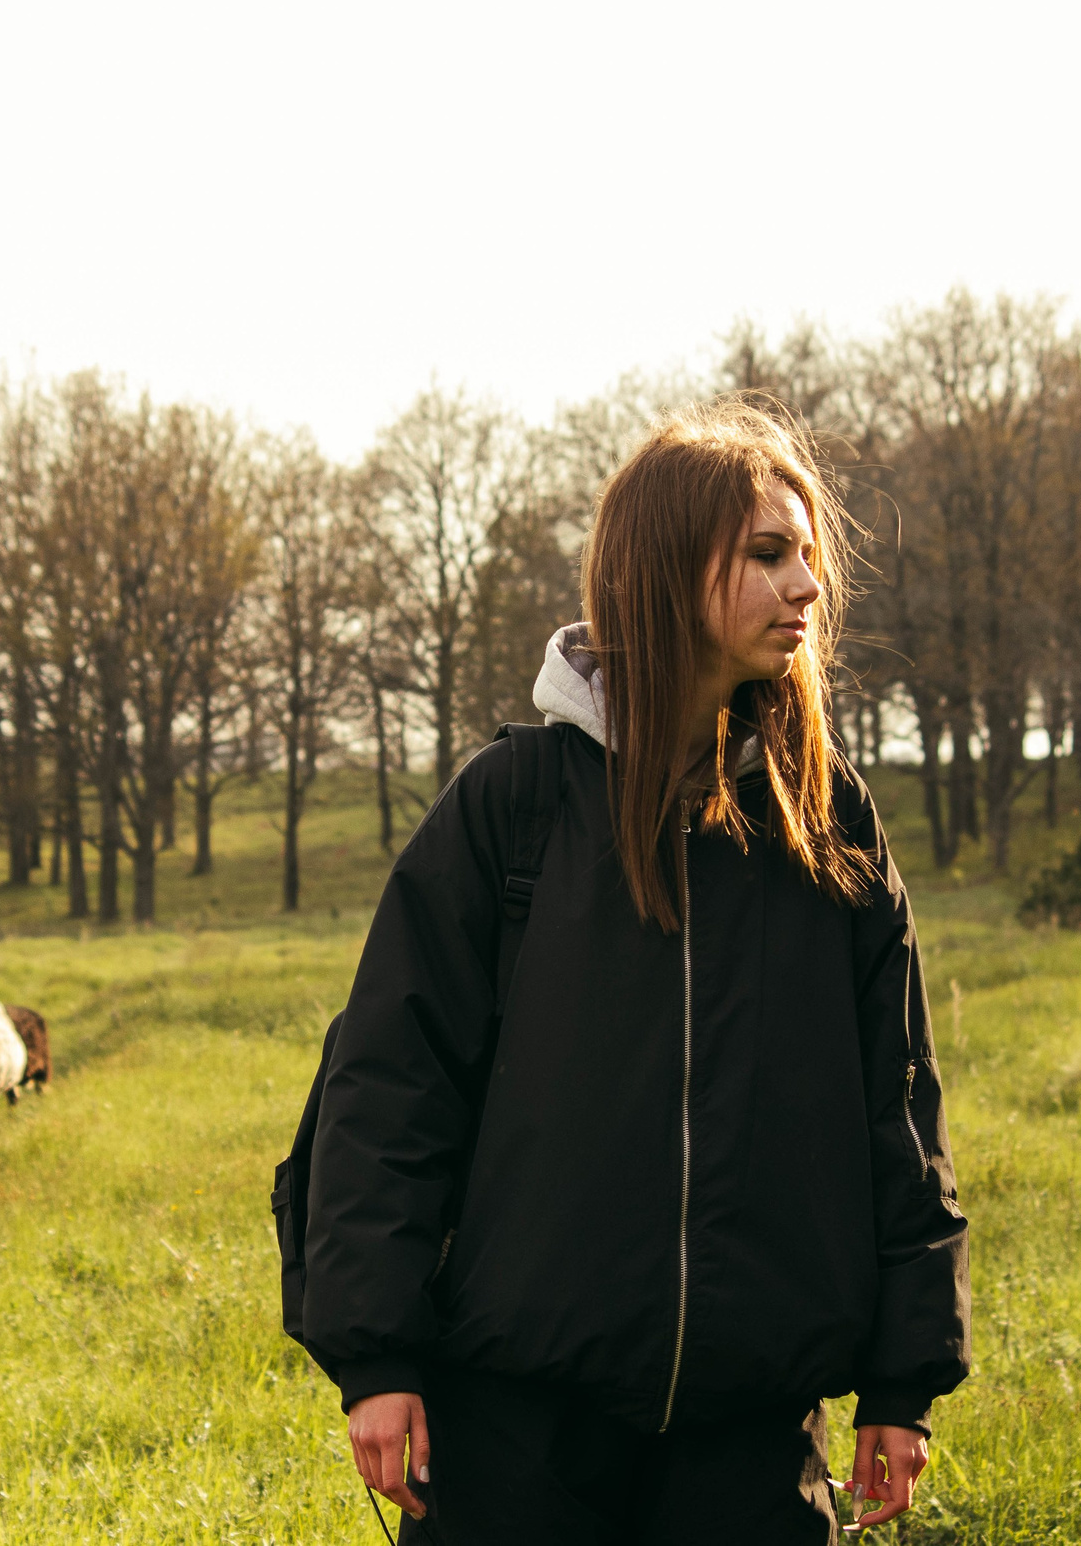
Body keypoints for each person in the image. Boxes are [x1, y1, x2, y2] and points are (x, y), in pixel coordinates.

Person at [293, 399, 969, 1542]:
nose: (806, 585)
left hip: (751, 1436)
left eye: (808, 555)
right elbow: (386, 1090)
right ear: (661, 570)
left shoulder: (827, 818)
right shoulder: (512, 809)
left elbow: (896, 1108)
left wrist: (902, 1381)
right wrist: (375, 1356)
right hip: (515, 1427)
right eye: (767, 553)